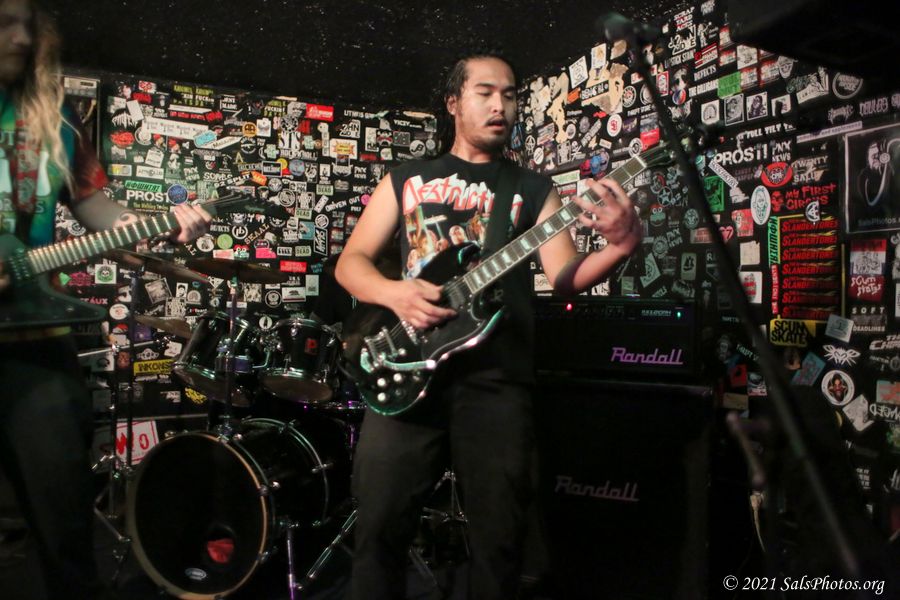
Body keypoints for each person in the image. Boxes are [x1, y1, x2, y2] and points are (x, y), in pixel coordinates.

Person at [335, 53, 642, 599]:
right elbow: (350, 264)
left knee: (500, 545)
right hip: (406, 371)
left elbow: (565, 277)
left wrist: (620, 246)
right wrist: (395, 292)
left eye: (511, 94)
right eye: (485, 92)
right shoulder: (406, 179)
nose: (501, 105)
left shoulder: (532, 187)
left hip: (497, 380)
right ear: (454, 102)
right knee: (379, 532)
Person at [0, 1, 211, 598]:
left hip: (36, 343)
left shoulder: (51, 115)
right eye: (4, 20)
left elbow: (93, 206)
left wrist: (150, 225)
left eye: (27, 22)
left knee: (64, 522)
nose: (20, 36)